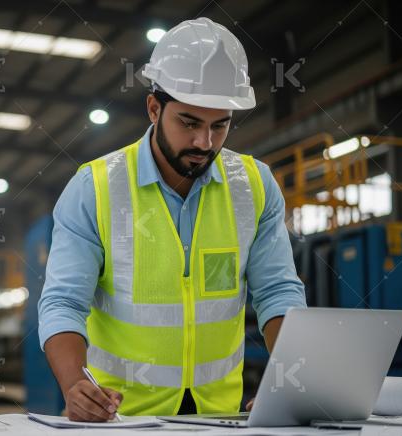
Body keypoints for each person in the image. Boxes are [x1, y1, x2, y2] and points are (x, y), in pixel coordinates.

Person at [37, 17, 307, 422]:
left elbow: (277, 292)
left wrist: (290, 380)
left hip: (219, 418)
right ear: (153, 108)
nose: (205, 142)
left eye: (220, 126)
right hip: (118, 418)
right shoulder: (94, 188)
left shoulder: (254, 186)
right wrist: (76, 384)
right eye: (190, 123)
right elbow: (62, 302)